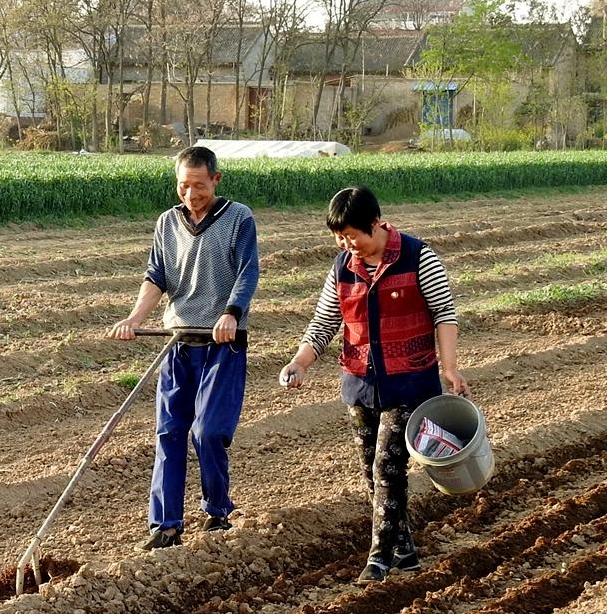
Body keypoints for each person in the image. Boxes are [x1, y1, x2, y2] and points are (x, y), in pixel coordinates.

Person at [279, 185, 469, 584]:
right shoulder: (343, 267)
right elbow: (326, 322)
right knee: (373, 471)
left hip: (410, 383)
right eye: (339, 237)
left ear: (376, 224)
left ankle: (378, 558)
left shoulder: (419, 257)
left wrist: (449, 368)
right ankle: (405, 547)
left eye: (351, 236)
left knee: (387, 464)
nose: (346, 244)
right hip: (360, 383)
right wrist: (300, 361)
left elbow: (444, 315)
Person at [108, 145, 259, 549]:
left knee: (208, 432)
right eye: (183, 186)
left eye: (199, 185)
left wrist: (231, 313)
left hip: (221, 344)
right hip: (178, 342)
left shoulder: (239, 219)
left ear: (216, 179)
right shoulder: (167, 223)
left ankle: (217, 511)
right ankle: (166, 525)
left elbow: (247, 272)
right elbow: (156, 276)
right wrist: (135, 319)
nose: (191, 194)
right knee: (170, 433)